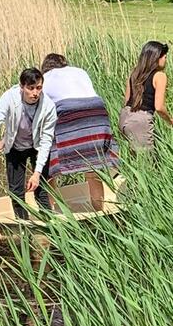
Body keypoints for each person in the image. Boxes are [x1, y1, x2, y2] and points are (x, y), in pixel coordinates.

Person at [0, 68, 57, 219]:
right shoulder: (9, 98)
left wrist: (37, 174)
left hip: (37, 146)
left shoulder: (48, 106)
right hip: (15, 146)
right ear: (22, 87)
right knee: (16, 192)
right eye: (30, 88)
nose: (35, 93)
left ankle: (48, 224)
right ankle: (23, 227)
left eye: (38, 88)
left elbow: (46, 141)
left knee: (41, 190)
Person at [40, 53, 119, 212]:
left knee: (48, 166)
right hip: (98, 115)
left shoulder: (45, 78)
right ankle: (99, 210)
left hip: (70, 113)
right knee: (93, 166)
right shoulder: (79, 71)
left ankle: (51, 213)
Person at [119, 41, 173, 152]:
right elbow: (159, 107)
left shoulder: (134, 72)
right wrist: (171, 121)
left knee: (134, 158)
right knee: (148, 164)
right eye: (165, 57)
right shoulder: (160, 76)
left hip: (125, 117)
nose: (166, 61)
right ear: (157, 58)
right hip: (141, 121)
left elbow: (126, 100)